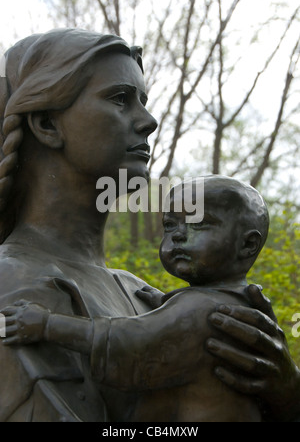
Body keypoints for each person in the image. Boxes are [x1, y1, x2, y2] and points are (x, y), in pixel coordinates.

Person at [0, 28, 299, 422]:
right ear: (47, 125)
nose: (149, 121)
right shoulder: (15, 285)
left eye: (143, 100)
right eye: (120, 99)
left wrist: (286, 394)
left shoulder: (142, 293)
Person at [1, 175, 272, 422]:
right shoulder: (231, 304)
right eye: (169, 224)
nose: (178, 234)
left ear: (248, 244)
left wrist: (47, 325)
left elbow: (127, 343)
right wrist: (168, 302)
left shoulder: (204, 311)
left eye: (198, 223)